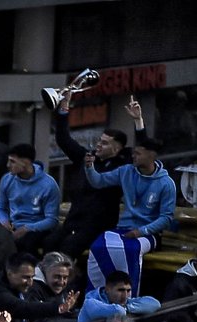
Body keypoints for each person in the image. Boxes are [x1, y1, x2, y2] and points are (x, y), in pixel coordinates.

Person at [49, 97, 136, 255]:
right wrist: (64, 107)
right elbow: (63, 139)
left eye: (104, 143)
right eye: (99, 141)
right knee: (49, 243)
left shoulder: (122, 168)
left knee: (67, 249)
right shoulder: (86, 157)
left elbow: (141, 150)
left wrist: (138, 121)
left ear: (116, 149)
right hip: (74, 220)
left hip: (97, 226)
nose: (98, 145)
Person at [83, 134, 178, 245]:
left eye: (138, 153)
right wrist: (89, 167)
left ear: (151, 156)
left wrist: (140, 231)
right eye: (133, 152)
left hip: (149, 234)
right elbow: (98, 182)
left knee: (128, 249)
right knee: (97, 247)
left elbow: (166, 218)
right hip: (122, 228)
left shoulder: (166, 183)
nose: (133, 156)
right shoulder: (126, 171)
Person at [0, 144, 61, 254]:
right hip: (14, 226)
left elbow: (52, 220)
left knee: (26, 242)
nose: (8, 165)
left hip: (37, 227)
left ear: (25, 162)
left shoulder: (49, 185)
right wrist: (4, 221)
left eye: (12, 161)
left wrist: (27, 228)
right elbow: (0, 208)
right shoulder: (7, 180)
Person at [76, 269, 161, 322]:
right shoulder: (89, 303)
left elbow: (155, 304)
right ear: (107, 289)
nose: (125, 296)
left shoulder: (124, 302)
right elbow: (119, 311)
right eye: (121, 290)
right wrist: (126, 309)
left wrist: (128, 307)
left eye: (128, 291)